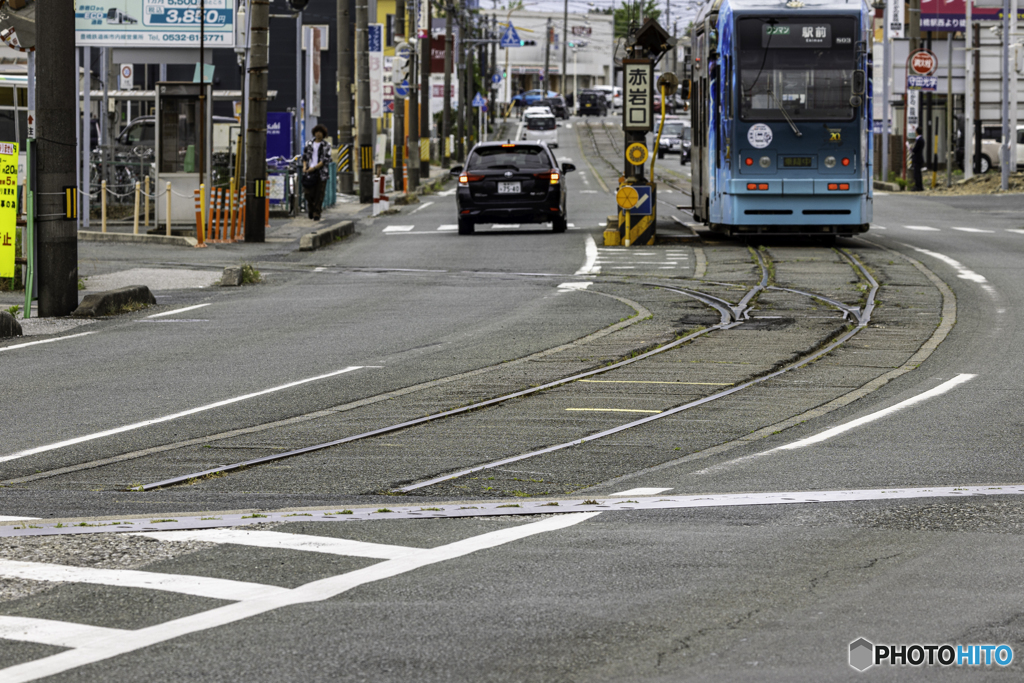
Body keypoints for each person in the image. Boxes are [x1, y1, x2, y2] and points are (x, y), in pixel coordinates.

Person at [302, 124, 331, 220]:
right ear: (314, 133)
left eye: (320, 132)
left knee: (320, 193)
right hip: (309, 172)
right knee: (308, 193)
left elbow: (325, 160)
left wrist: (314, 168)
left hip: (321, 172)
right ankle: (311, 209)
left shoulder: (327, 145)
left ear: (324, 134)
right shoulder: (308, 143)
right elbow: (305, 157)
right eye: (316, 132)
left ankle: (317, 213)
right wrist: (305, 167)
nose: (318, 134)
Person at [911, 126, 925, 192]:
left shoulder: (918, 140)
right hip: (920, 158)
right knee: (919, 173)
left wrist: (911, 149)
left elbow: (915, 149)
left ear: (916, 132)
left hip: (917, 158)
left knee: (916, 173)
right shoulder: (922, 140)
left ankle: (917, 186)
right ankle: (920, 186)